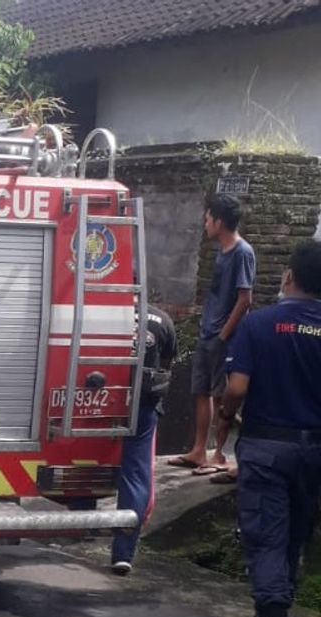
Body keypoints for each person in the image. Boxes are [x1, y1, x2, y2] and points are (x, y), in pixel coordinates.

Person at [218, 241, 321, 617]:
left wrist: (225, 414)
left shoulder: (259, 325)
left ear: (288, 277)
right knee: (295, 534)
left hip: (265, 448)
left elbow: (237, 388)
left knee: (265, 538)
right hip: (314, 451)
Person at [168, 194, 255, 474]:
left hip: (222, 336)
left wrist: (223, 334)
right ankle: (198, 450)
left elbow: (245, 299)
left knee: (220, 395)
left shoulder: (242, 252)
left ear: (219, 221)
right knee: (200, 392)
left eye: (208, 219)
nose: (205, 224)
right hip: (208, 333)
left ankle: (218, 454)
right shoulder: (222, 251)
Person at [111, 305, 176, 576]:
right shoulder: (162, 320)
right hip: (143, 405)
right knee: (136, 477)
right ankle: (123, 553)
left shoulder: (103, 311)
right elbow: (168, 363)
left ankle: (83, 521)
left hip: (99, 397)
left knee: (85, 459)